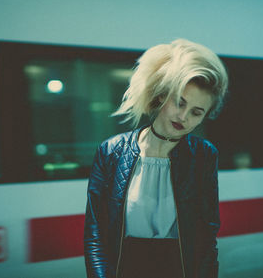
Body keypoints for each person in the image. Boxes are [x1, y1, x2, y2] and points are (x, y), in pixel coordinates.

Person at [84, 39, 228, 278]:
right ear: (162, 96)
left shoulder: (204, 155)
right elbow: (95, 234)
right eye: (179, 102)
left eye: (196, 112)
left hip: (178, 269)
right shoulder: (111, 151)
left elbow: (206, 238)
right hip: (124, 268)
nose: (183, 116)